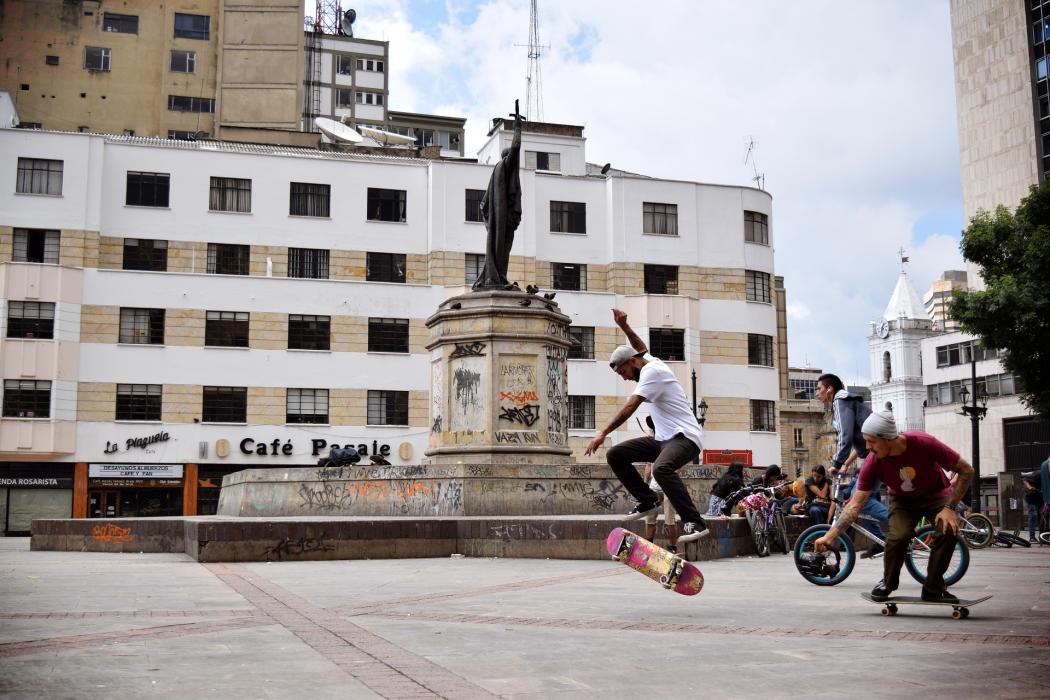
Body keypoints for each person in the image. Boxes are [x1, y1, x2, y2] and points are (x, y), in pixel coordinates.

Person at [814, 410, 974, 604]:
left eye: (871, 441)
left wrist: (951, 507)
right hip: (902, 501)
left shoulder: (924, 442)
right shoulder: (873, 461)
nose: (867, 447)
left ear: (887, 438)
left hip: (936, 495)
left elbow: (966, 470)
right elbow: (855, 504)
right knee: (897, 537)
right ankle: (888, 583)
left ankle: (934, 587)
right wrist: (830, 536)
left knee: (948, 530)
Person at [584, 308, 708, 543]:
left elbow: (629, 407)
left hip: (685, 437)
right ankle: (648, 500)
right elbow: (640, 348)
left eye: (624, 372)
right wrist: (624, 326)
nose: (625, 377)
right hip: (663, 440)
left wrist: (603, 432)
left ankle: (695, 521)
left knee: (661, 469)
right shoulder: (647, 362)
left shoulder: (652, 372)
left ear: (632, 363)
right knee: (616, 454)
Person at [816, 372, 888, 554]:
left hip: (878, 455)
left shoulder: (840, 400)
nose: (817, 393)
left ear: (829, 389)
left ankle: (899, 525)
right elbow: (860, 440)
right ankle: (880, 540)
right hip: (877, 454)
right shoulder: (849, 402)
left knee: (859, 501)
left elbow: (845, 436)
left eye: (819, 389)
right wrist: (846, 463)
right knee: (864, 498)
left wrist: (836, 462)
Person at [643, 461, 681, 553]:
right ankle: (650, 545)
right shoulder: (653, 448)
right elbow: (648, 467)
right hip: (654, 488)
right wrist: (644, 485)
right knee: (649, 519)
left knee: (670, 520)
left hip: (669, 488)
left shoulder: (673, 448)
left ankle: (672, 547)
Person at [1023, 471, 1044, 543]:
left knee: (1041, 515)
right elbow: (1025, 480)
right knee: (1033, 515)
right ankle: (1032, 537)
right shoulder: (1039, 473)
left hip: (1040, 497)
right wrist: (1030, 487)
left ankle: (1042, 536)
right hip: (1030, 496)